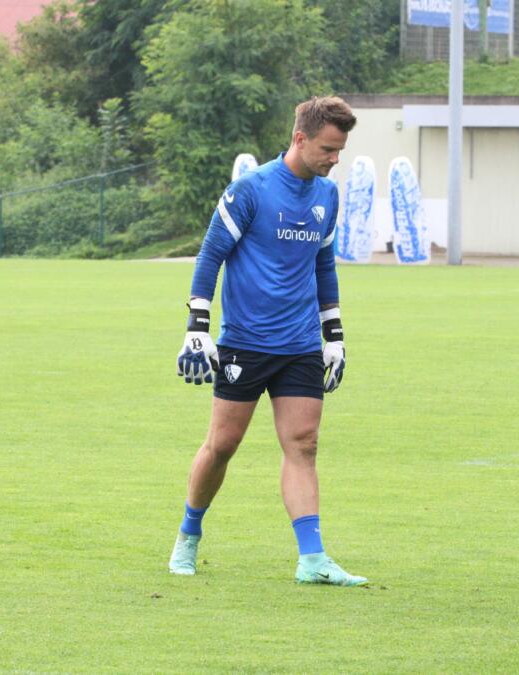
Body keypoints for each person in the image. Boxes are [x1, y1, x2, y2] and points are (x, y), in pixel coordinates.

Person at [169, 96, 363, 586]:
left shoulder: (327, 195)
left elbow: (324, 265)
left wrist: (334, 336)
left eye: (339, 151)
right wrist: (197, 327)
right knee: (223, 445)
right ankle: (188, 535)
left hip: (300, 344)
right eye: (328, 149)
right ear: (300, 138)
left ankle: (312, 559)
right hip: (246, 342)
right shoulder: (250, 190)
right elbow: (210, 256)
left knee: (304, 444)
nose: (334, 159)